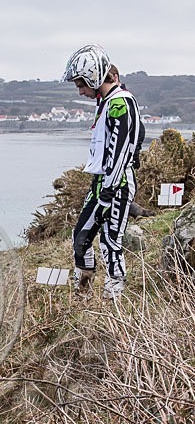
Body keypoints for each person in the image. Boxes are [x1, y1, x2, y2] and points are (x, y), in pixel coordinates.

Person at [62, 45, 143, 299]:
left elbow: (119, 150)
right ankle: (84, 291)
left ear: (94, 78)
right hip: (103, 182)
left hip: (115, 184)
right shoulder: (108, 102)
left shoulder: (120, 103)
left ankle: (112, 298)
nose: (81, 91)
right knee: (81, 237)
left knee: (110, 241)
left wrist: (108, 192)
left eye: (81, 85)